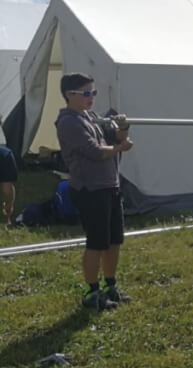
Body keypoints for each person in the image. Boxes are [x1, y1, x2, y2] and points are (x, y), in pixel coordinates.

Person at [55, 73, 134, 310]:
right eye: (86, 93)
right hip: (90, 189)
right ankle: (92, 292)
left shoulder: (91, 117)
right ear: (70, 95)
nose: (91, 98)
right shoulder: (69, 122)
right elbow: (96, 151)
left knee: (113, 241)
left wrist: (123, 128)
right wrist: (121, 147)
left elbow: (116, 138)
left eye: (93, 93)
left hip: (110, 185)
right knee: (96, 243)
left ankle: (110, 285)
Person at [0, 144, 17, 225]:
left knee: (6, 190)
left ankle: (8, 211)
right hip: (4, 155)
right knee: (6, 189)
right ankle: (8, 210)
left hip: (4, 156)